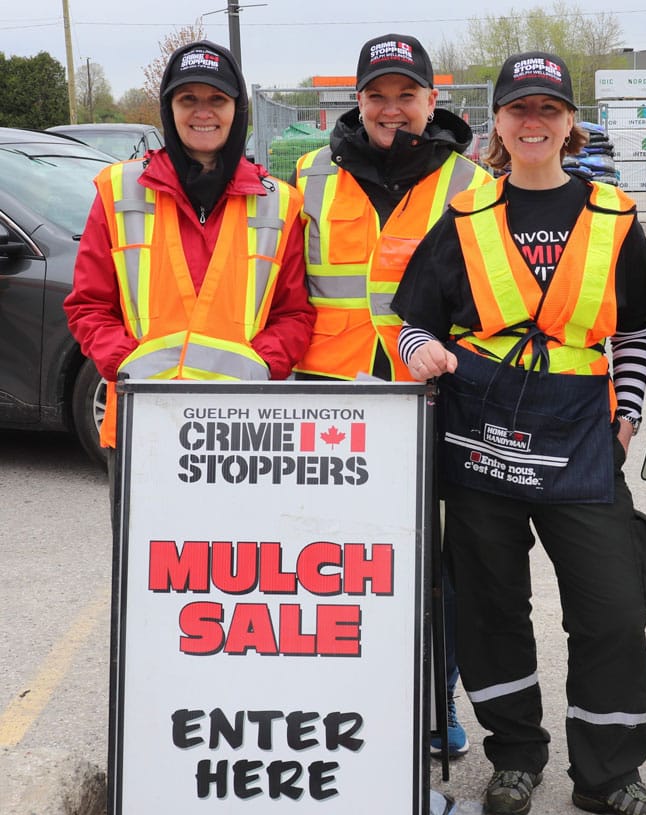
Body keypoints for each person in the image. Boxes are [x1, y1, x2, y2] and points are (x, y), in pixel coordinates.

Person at [392, 51, 646, 815]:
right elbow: (413, 319)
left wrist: (627, 409)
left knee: (613, 607)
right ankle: (516, 754)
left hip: (581, 433)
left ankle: (609, 773)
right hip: (479, 429)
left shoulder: (615, 217)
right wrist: (421, 352)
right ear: (499, 123)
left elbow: (632, 329)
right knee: (489, 606)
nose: (533, 123)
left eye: (549, 110)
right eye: (520, 109)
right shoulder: (466, 216)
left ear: (569, 124)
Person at [290, 34, 493, 758]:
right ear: (358, 100)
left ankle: (436, 702)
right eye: (378, 94)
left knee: (441, 562)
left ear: (432, 101)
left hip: (433, 395)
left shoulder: (471, 185)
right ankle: (345, 700)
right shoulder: (311, 176)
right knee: (333, 560)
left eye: (408, 94)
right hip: (330, 397)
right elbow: (287, 289)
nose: (392, 109)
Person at [65, 40, 314, 458]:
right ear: (169, 108)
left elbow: (295, 314)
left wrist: (262, 365)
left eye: (217, 99)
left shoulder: (279, 202)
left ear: (238, 109)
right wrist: (127, 364)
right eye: (188, 99)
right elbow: (88, 305)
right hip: (143, 422)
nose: (203, 112)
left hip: (243, 430)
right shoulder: (119, 191)